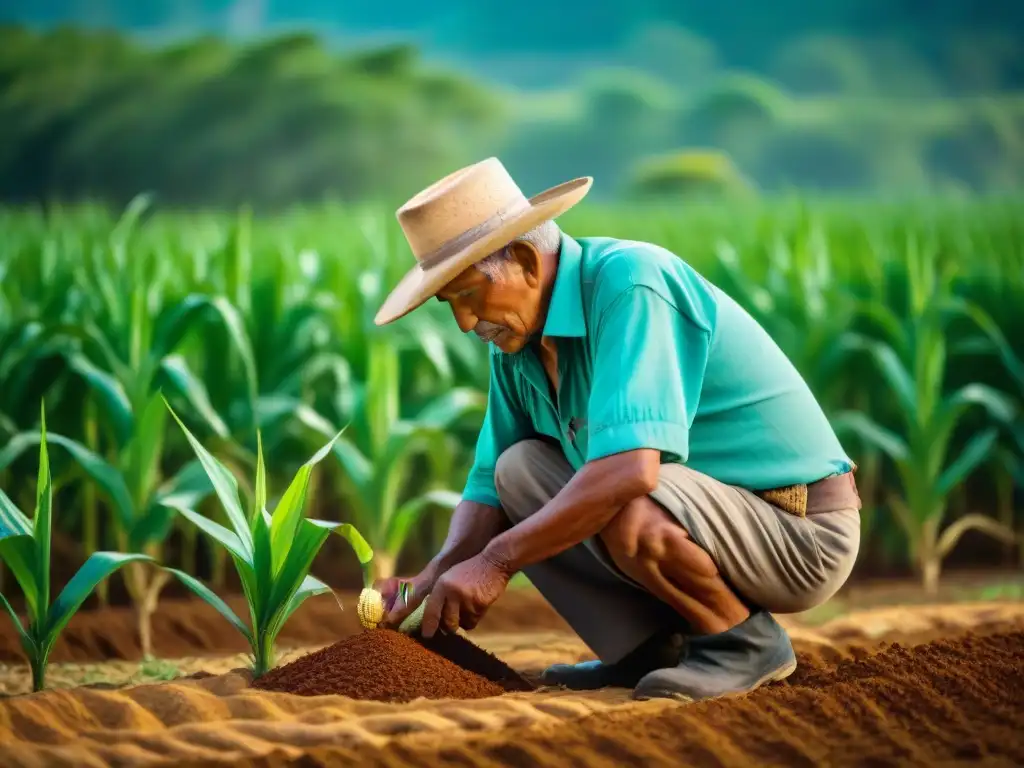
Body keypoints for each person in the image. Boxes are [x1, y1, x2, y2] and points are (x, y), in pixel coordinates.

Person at [371, 157, 861, 702]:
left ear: (530, 262)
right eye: (449, 304)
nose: (465, 322)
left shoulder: (630, 286)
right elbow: (490, 484)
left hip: (798, 528)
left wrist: (496, 561)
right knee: (521, 472)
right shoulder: (516, 343)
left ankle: (740, 644)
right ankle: (647, 652)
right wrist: (437, 572)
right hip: (708, 514)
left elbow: (629, 471)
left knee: (621, 486)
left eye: (469, 293)